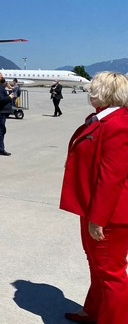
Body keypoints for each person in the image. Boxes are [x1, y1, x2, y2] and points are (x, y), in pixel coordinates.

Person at [59, 72, 128, 324]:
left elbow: (112, 177)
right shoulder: (98, 119)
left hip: (108, 213)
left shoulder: (119, 124)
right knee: (96, 266)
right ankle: (94, 310)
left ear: (109, 93)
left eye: (95, 89)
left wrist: (98, 219)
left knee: (112, 274)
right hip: (91, 206)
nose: (91, 92)